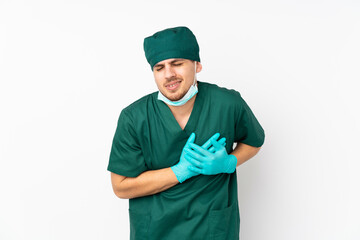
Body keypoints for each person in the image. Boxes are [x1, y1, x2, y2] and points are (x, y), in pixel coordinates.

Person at [107, 26, 265, 240]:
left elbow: (254, 142)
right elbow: (121, 187)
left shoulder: (227, 104)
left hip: (212, 228)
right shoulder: (134, 118)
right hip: (155, 230)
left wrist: (229, 162)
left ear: (197, 65)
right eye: (159, 68)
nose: (169, 74)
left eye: (177, 64)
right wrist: (181, 171)